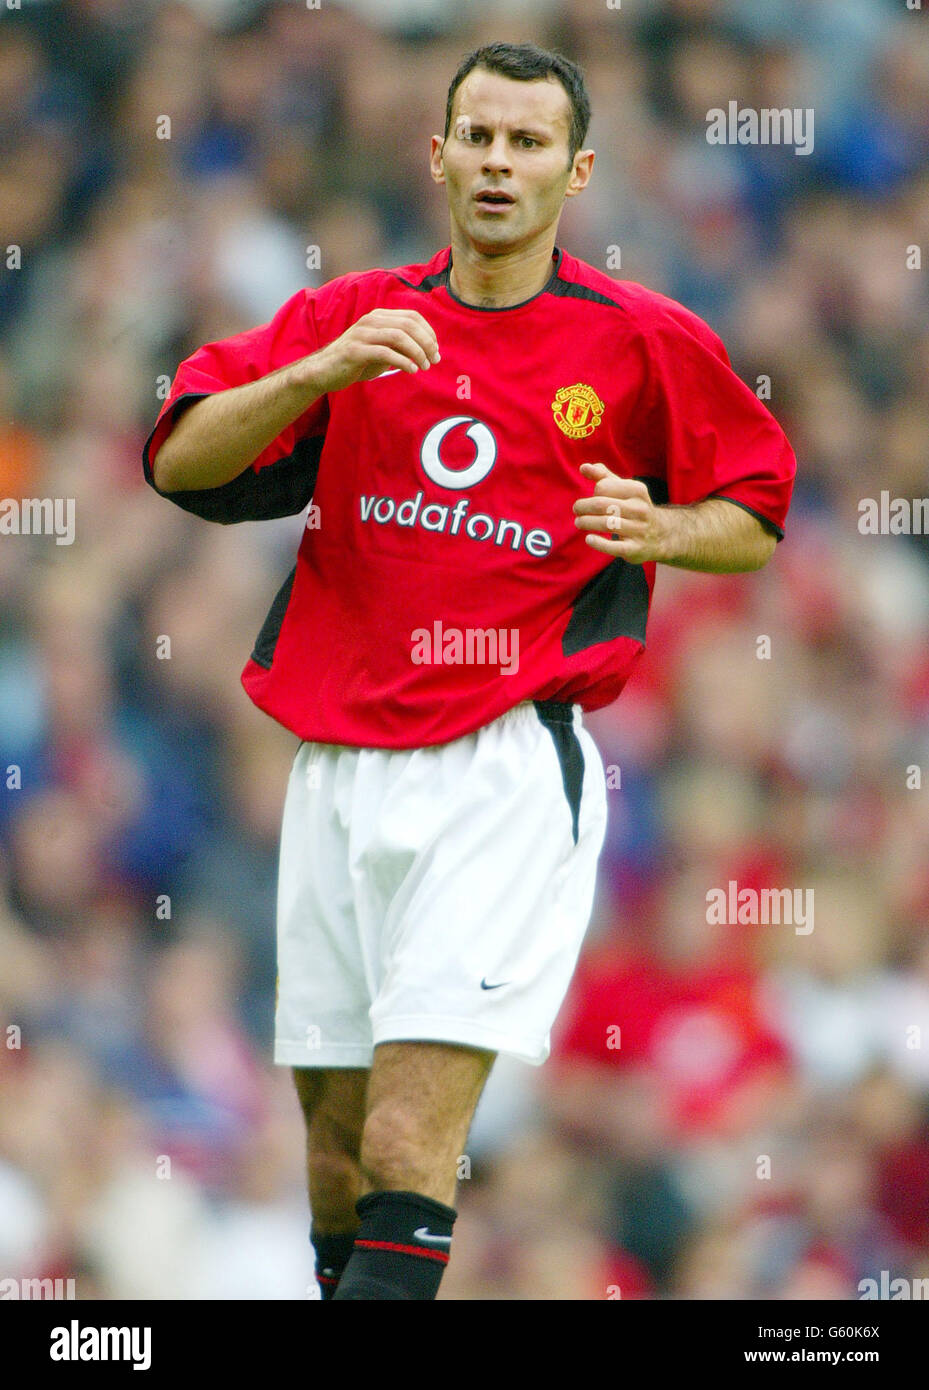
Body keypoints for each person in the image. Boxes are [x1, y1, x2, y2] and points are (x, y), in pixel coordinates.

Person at [143, 41, 796, 1301]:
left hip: (496, 772)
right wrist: (320, 372)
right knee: (332, 1160)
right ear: (436, 155)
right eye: (479, 138)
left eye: (529, 142)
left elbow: (757, 507)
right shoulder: (355, 318)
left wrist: (663, 527)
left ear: (576, 170)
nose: (500, 163)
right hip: (332, 772)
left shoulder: (639, 341)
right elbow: (180, 460)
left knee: (403, 1142)